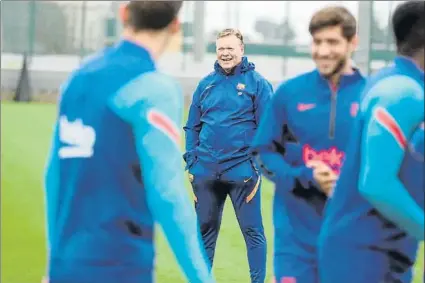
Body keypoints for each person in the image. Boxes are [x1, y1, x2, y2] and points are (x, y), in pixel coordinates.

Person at [42, 2, 214, 283]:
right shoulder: (155, 88)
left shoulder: (77, 79)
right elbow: (167, 193)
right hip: (120, 265)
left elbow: (53, 176)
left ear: (123, 14)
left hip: (67, 266)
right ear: (175, 26)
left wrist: (54, 262)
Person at [250, 6, 365, 283]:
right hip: (295, 243)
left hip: (354, 240)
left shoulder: (372, 96)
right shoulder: (290, 93)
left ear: (353, 43)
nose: (323, 51)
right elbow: (263, 154)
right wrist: (306, 176)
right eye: (317, 42)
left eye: (333, 42)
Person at [318, 1, 424, 283]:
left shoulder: (396, 83)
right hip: (363, 257)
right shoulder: (402, 92)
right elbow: (377, 183)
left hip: (380, 253)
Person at [183, 28, 272, 282]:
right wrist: (192, 162)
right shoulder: (206, 84)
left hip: (242, 174)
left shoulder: (258, 84)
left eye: (230, 48)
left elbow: (270, 129)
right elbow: (193, 126)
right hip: (206, 173)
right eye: (221, 48)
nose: (225, 53)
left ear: (241, 50)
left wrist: (255, 167)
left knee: (253, 234)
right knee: (203, 235)